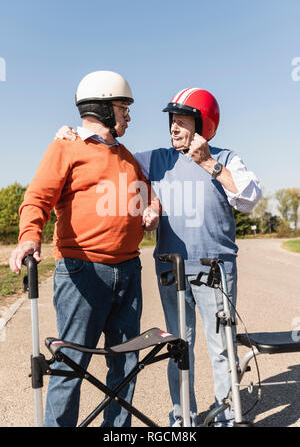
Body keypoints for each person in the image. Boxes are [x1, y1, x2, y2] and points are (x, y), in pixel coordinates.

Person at [55, 87, 262, 426]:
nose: (174, 129)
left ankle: (226, 418)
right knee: (179, 347)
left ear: (204, 125)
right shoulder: (156, 160)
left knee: (222, 347)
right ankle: (183, 419)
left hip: (215, 270)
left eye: (182, 122)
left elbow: (249, 196)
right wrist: (76, 135)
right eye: (172, 122)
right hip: (171, 271)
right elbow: (111, 158)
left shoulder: (225, 158)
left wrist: (208, 162)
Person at [9, 70, 159, 428]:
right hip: (82, 271)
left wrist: (152, 207)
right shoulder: (66, 146)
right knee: (71, 366)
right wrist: (30, 235)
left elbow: (146, 193)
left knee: (126, 365)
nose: (128, 116)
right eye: (123, 108)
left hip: (129, 271)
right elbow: (37, 199)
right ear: (104, 108)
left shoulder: (126, 156)